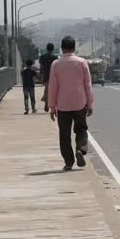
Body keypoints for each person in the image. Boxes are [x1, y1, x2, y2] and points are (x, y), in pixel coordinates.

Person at [47, 36, 95, 171]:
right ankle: (80, 149)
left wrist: (52, 106)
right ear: (74, 48)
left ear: (62, 48)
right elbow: (88, 85)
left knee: (64, 134)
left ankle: (69, 162)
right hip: (80, 102)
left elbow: (53, 86)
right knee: (81, 129)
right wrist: (90, 104)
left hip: (63, 105)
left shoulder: (56, 64)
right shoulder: (82, 62)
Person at [38, 43, 58, 113]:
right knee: (53, 91)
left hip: (46, 76)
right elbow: (57, 68)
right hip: (54, 76)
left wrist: (40, 76)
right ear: (52, 49)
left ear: (47, 48)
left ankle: (47, 101)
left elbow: (41, 67)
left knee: (47, 90)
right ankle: (51, 104)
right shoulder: (55, 57)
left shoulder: (42, 57)